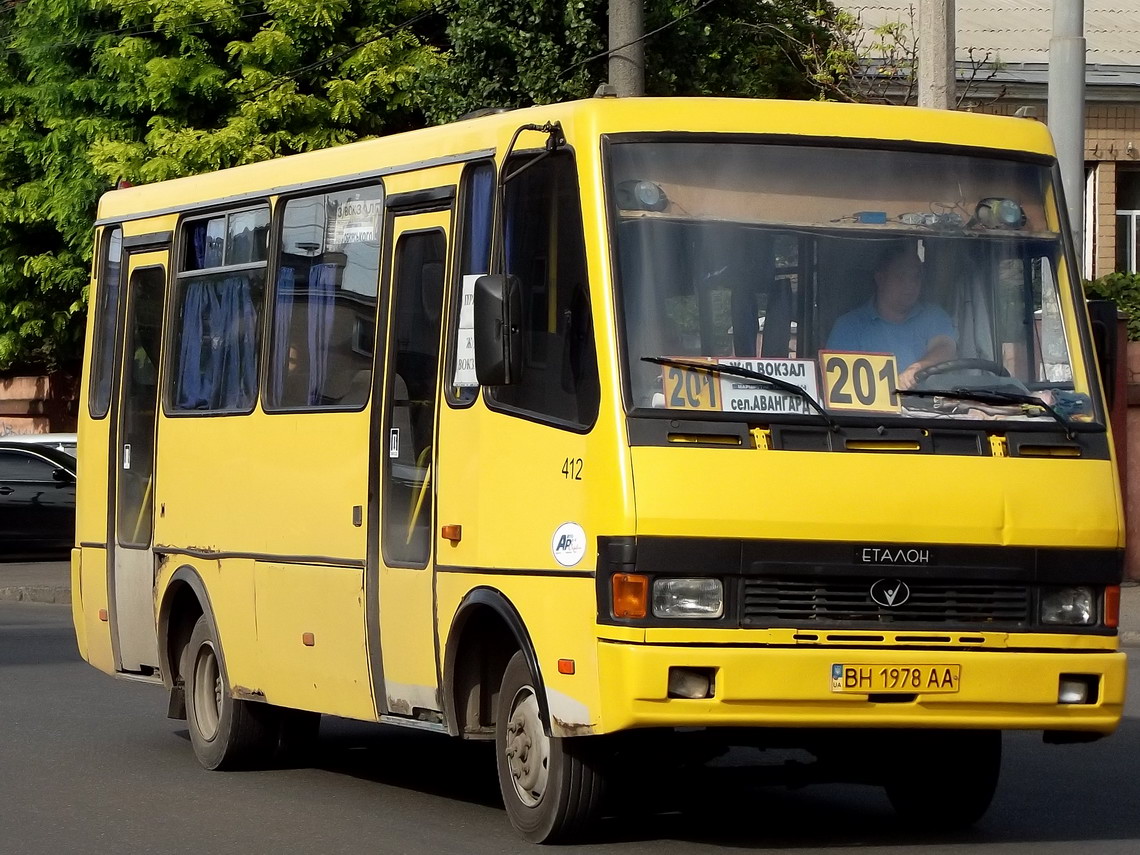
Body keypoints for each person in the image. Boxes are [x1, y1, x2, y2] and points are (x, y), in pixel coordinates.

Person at [826, 242, 957, 390]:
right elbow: (838, 387)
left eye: (916, 277)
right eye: (901, 276)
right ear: (880, 279)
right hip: (868, 413)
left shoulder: (934, 316)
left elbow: (945, 347)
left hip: (931, 410)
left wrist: (916, 369)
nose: (909, 284)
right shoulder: (848, 326)